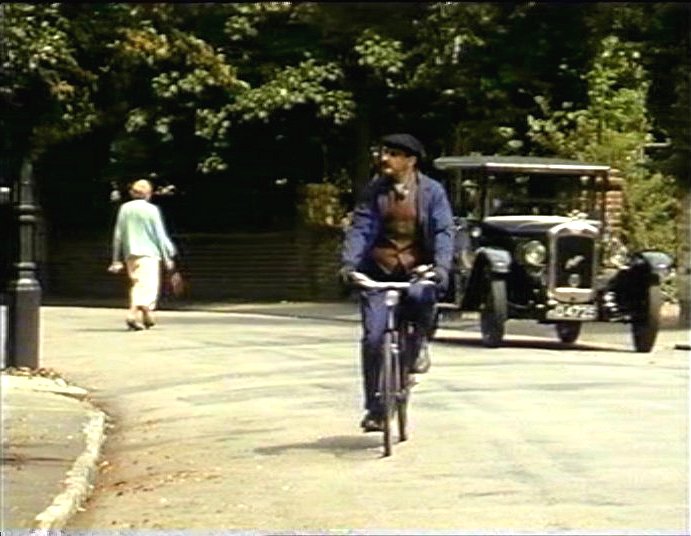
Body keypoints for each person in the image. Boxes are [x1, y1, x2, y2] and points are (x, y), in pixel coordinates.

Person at [340, 133, 455, 432]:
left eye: (393, 154)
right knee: (373, 338)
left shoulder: (432, 192)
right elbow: (361, 228)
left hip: (417, 269)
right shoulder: (374, 192)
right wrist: (350, 264)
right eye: (384, 152)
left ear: (410, 161)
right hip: (378, 270)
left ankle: (418, 347)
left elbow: (443, 231)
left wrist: (441, 267)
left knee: (421, 298)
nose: (385, 159)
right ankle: (376, 409)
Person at [108, 179, 177, 331]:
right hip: (149, 253)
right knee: (147, 286)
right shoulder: (152, 210)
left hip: (130, 254)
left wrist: (115, 259)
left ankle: (147, 316)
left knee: (138, 284)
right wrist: (167, 258)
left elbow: (118, 234)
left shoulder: (124, 209)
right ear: (148, 193)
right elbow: (159, 235)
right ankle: (132, 314)